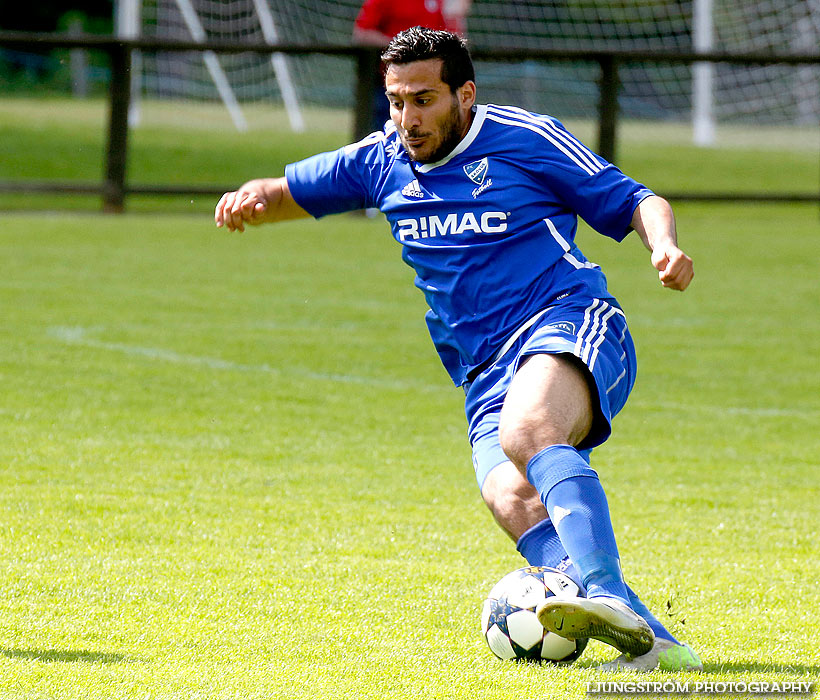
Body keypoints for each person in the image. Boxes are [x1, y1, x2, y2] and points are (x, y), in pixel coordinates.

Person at [215, 27, 702, 672]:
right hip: (483, 370)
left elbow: (638, 200)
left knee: (530, 430)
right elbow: (288, 192)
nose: (407, 118)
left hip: (569, 320)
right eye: (395, 101)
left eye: (424, 100)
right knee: (510, 496)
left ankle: (603, 593)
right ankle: (651, 642)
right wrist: (248, 201)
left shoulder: (524, 138)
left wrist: (662, 246)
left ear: (463, 95)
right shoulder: (380, 159)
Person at [352, 0, 470, 132]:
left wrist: (455, 18)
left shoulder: (442, 3)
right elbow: (362, 34)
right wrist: (405, 51)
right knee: (385, 142)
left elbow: (455, 43)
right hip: (390, 89)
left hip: (432, 90)